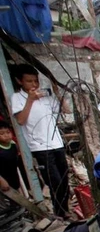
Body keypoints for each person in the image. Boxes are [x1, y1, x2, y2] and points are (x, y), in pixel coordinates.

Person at [11, 65, 71, 218]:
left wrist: (57, 94)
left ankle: (64, 210)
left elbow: (66, 110)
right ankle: (61, 213)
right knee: (54, 181)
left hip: (56, 143)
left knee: (64, 179)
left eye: (35, 81)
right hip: (39, 146)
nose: (34, 85)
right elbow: (21, 120)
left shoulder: (45, 96)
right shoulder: (17, 98)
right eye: (29, 81)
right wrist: (30, 100)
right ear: (19, 81)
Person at [0, 121, 26, 192]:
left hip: (14, 178)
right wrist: (1, 181)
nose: (6, 135)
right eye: (2, 133)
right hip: (3, 181)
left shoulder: (13, 144)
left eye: (8, 132)